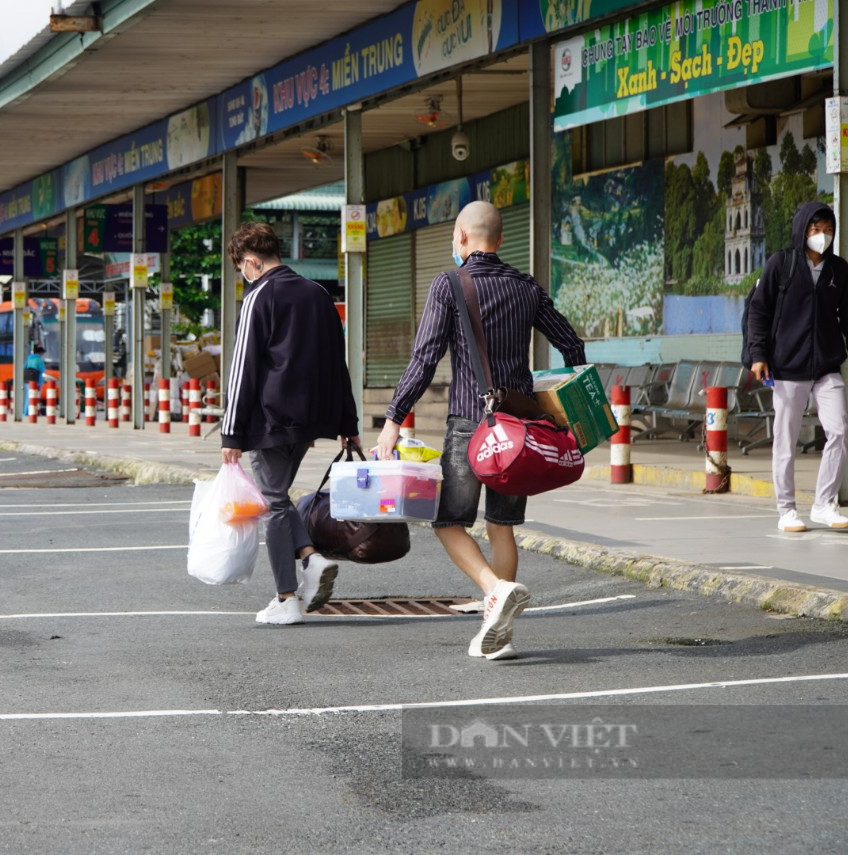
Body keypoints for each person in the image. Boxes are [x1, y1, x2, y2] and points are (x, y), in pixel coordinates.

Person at [376, 201, 585, 661]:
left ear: (460, 236)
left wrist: (393, 420)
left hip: (473, 425)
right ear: (501, 240)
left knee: (448, 521)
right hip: (522, 425)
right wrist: (573, 401)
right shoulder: (527, 286)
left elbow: (424, 359)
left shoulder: (449, 284)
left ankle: (493, 591)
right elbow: (571, 344)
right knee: (502, 525)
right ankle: (502, 636)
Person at [220, 221, 360, 625]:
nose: (243, 275)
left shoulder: (258, 297)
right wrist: (347, 422)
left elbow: (243, 366)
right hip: (311, 419)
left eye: (241, 268)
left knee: (274, 504)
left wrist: (231, 432)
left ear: (250, 261)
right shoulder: (318, 294)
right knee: (277, 496)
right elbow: (339, 363)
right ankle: (309, 560)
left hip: (269, 418)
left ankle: (286, 597)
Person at [747, 201, 848, 533]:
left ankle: (824, 504)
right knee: (785, 440)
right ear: (802, 230)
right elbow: (759, 312)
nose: (822, 237)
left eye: (828, 230)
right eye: (815, 230)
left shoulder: (838, 270)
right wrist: (759, 355)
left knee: (841, 429)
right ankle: (786, 509)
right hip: (786, 367)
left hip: (827, 365)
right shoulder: (780, 265)